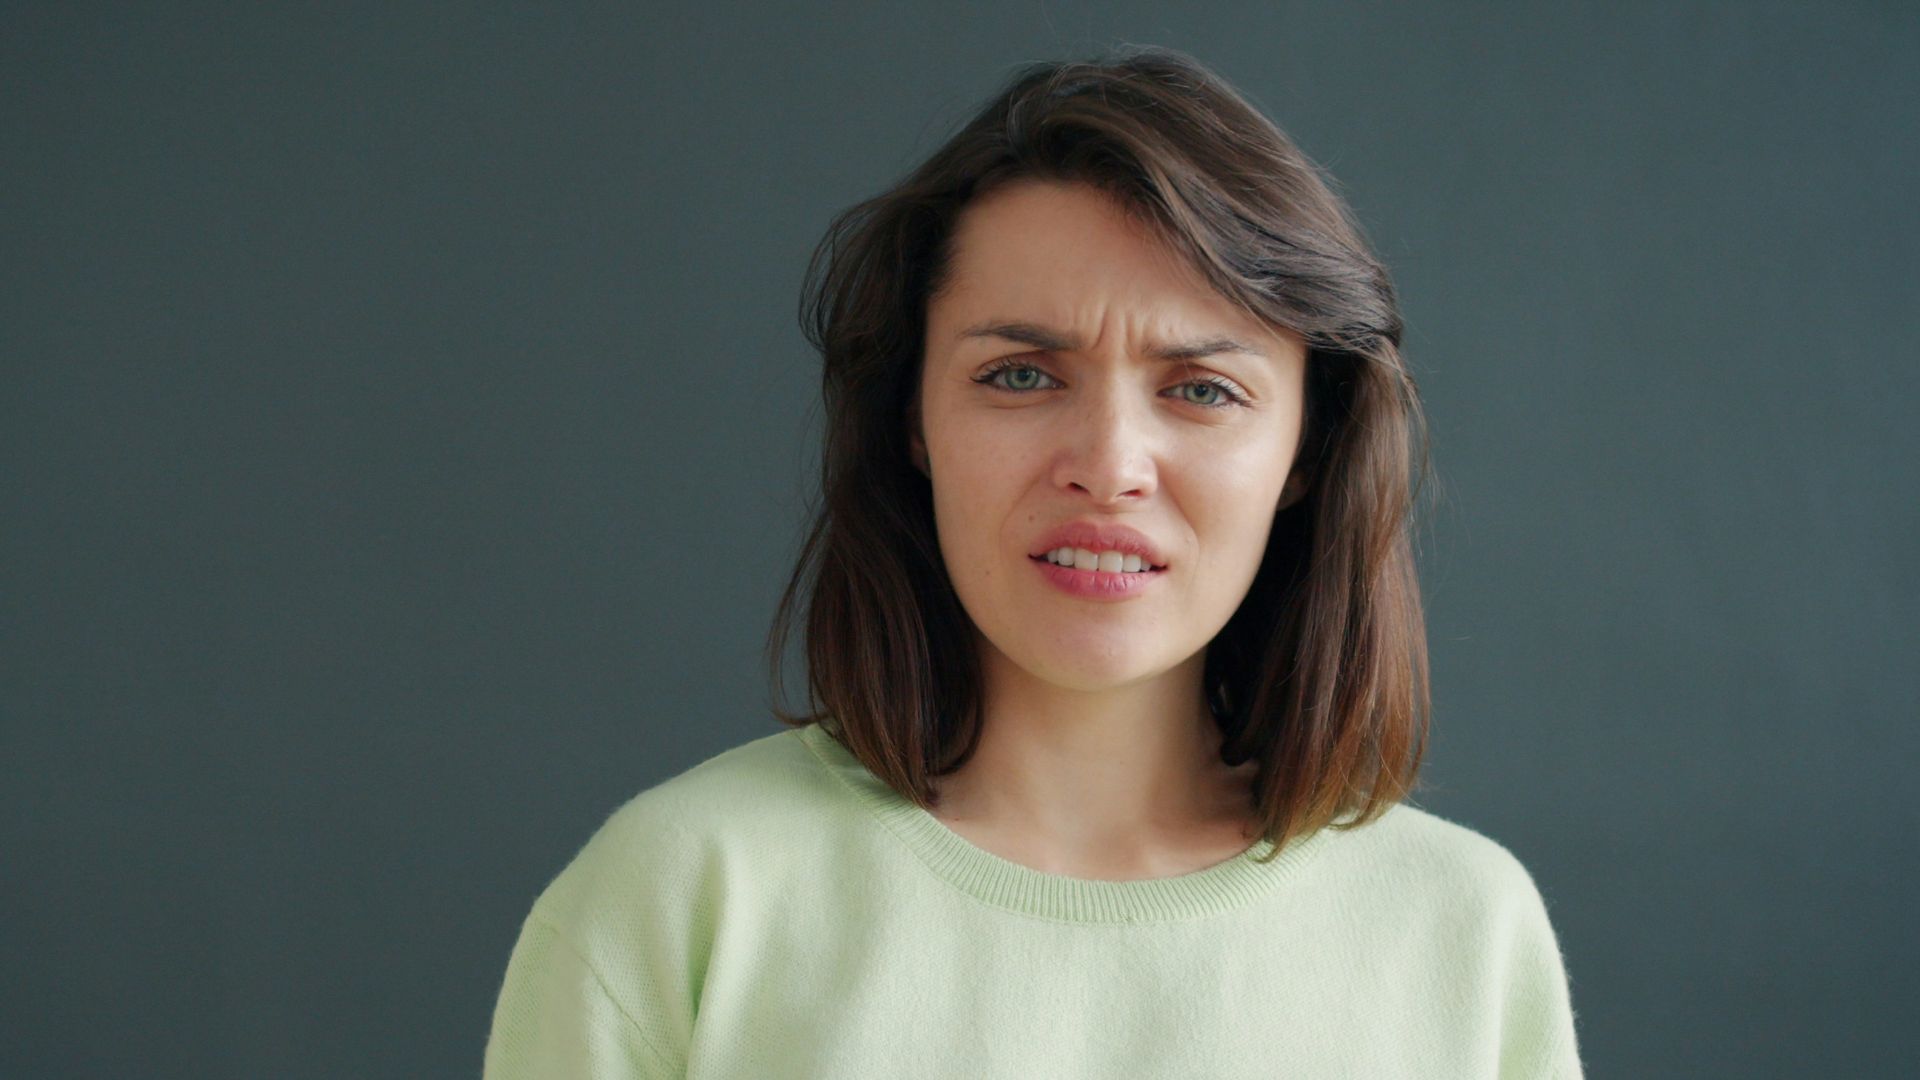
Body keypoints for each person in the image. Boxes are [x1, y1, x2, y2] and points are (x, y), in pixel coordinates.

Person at [483, 45, 1584, 1078]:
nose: (1108, 468)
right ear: (912, 418)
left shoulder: (1463, 933)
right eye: (1019, 375)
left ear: (1309, 447)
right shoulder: (680, 899)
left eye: (1202, 390)